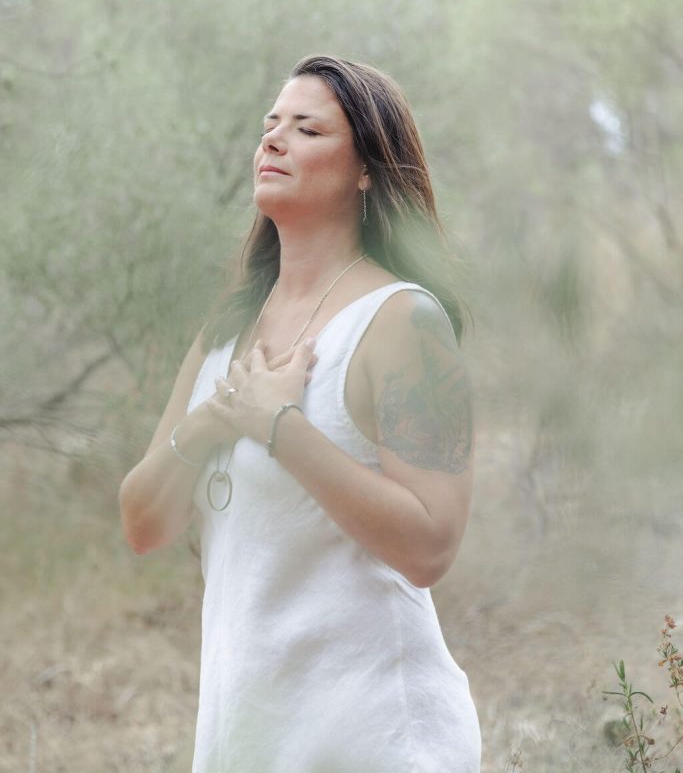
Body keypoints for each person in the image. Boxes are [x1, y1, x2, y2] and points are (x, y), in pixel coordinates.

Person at [119, 54, 481, 772]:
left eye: (306, 128)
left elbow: (430, 547)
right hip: (247, 730)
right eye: (269, 125)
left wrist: (280, 430)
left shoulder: (402, 320)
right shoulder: (227, 329)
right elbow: (143, 523)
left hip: (376, 735)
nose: (273, 141)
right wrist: (214, 422)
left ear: (367, 170)